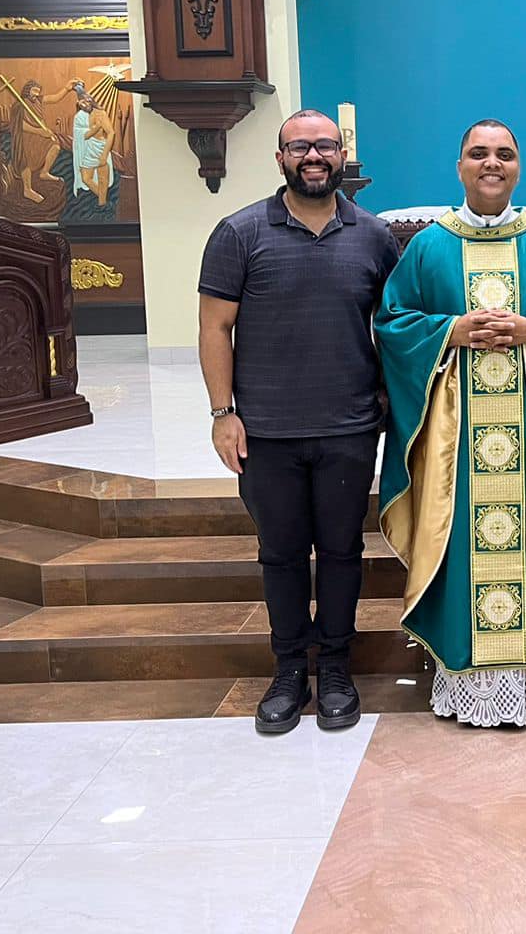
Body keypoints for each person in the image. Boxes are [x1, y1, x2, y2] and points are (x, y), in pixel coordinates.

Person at [375, 120, 526, 727]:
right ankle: (466, 678)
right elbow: (392, 324)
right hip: (454, 441)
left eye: (504, 154)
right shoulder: (428, 247)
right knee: (461, 545)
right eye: (478, 154)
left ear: (519, 167)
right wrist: (450, 330)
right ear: (460, 167)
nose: (491, 164)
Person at [197, 109, 400, 734]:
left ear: (342, 156)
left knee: (341, 551)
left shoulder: (374, 236)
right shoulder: (239, 233)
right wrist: (223, 414)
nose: (314, 156)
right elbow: (214, 328)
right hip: (266, 431)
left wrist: (390, 403)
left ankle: (335, 667)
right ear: (281, 158)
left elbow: (394, 329)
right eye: (300, 147)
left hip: (348, 427)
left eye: (325, 146)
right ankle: (288, 670)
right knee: (281, 554)